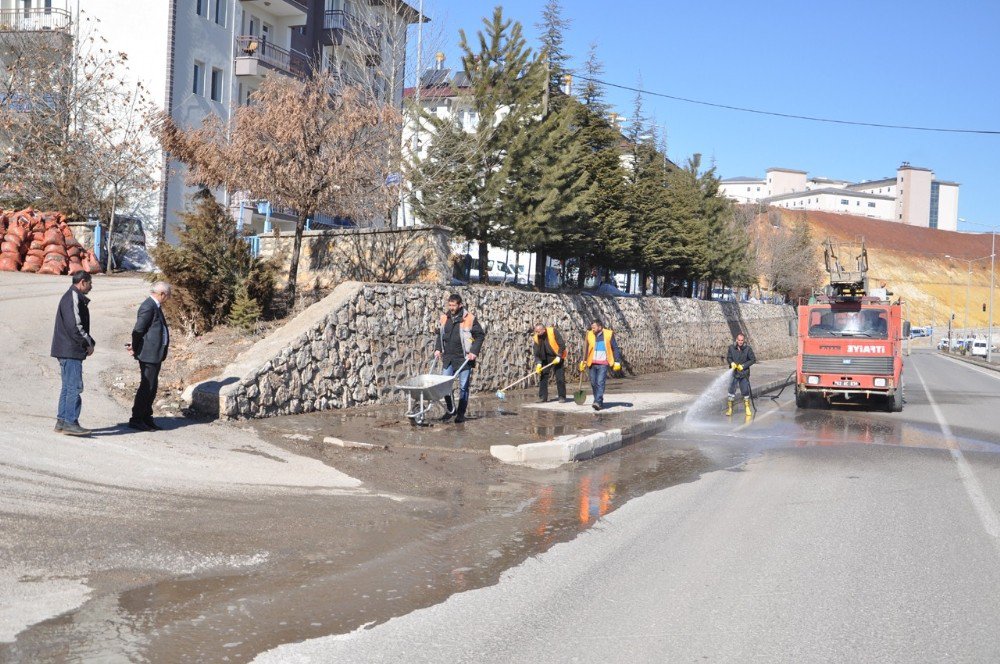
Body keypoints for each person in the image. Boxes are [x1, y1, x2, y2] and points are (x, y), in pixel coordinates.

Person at [50, 271, 96, 436]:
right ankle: (70, 422)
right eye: (90, 283)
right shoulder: (73, 298)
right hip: (70, 350)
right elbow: (75, 327)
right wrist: (88, 343)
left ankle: (62, 421)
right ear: (83, 282)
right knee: (74, 387)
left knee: (67, 387)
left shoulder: (71, 297)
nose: (91, 286)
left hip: (67, 349)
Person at [434, 293, 485, 424]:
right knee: (444, 385)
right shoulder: (445, 318)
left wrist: (473, 351)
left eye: (453, 305)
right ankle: (451, 409)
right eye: (449, 305)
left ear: (460, 305)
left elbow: (479, 335)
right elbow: (440, 335)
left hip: (464, 358)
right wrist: (438, 349)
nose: (451, 308)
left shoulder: (469, 318)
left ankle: (461, 414)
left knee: (463, 387)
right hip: (448, 357)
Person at [127, 282, 172, 431]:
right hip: (148, 354)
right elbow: (138, 330)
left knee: (152, 387)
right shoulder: (148, 306)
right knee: (147, 387)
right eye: (168, 295)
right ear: (162, 294)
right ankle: (137, 418)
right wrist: (134, 346)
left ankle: (147, 417)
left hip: (155, 354)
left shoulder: (155, 306)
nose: (169, 298)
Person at [579, 319, 621, 411]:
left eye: (594, 327)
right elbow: (586, 349)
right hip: (592, 363)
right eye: (592, 327)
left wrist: (617, 361)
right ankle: (598, 401)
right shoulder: (589, 334)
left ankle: (597, 401)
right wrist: (583, 361)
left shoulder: (608, 334)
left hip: (603, 363)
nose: (592, 329)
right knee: (593, 383)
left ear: (600, 327)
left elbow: (615, 348)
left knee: (600, 382)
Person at [532, 323, 567, 403]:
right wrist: (538, 363)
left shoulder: (553, 332)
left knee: (560, 377)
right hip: (545, 358)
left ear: (543, 330)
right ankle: (543, 397)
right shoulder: (536, 338)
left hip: (556, 356)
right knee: (543, 377)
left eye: (538, 331)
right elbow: (536, 352)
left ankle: (562, 396)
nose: (537, 333)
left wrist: (559, 356)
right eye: (536, 331)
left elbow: (562, 345)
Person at [726, 333, 757, 417]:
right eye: (739, 340)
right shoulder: (731, 348)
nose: (740, 342)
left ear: (744, 340)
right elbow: (728, 357)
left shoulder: (748, 349)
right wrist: (731, 363)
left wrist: (743, 366)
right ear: (736, 340)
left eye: (742, 340)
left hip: (744, 374)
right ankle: (730, 409)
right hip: (734, 373)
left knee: (745, 391)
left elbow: (753, 359)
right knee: (731, 391)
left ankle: (747, 408)